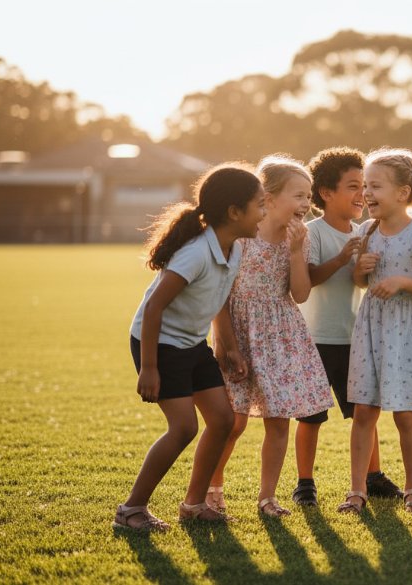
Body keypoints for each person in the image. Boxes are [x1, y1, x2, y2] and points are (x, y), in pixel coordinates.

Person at [114, 164, 264, 531]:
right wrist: (149, 368)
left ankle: (194, 504)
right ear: (234, 212)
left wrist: (228, 347)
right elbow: (154, 308)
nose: (264, 213)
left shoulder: (235, 250)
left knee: (224, 420)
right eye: (260, 205)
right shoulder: (195, 253)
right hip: (160, 344)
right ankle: (131, 510)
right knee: (183, 428)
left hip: (191, 343)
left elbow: (220, 300)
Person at [206, 155, 334, 518]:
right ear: (270, 197)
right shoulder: (245, 237)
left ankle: (267, 497)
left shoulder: (300, 238)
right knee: (233, 421)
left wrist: (296, 253)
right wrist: (225, 342)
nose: (306, 204)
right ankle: (212, 488)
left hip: (280, 335)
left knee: (279, 420)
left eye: (308, 196)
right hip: (239, 330)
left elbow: (301, 294)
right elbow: (221, 295)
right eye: (298, 195)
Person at [337, 148, 412, 514]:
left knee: (405, 413)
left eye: (375, 186)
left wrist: (401, 281)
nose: (366, 193)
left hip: (408, 334)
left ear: (402, 193)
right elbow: (359, 281)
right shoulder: (366, 232)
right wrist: (360, 269)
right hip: (373, 328)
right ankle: (357, 491)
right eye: (365, 186)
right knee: (364, 410)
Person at [293, 147, 402, 507]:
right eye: (354, 186)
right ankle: (305, 482)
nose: (362, 195)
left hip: (355, 337)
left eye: (366, 186)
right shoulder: (313, 233)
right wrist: (342, 258)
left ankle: (373, 476)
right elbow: (308, 278)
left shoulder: (366, 231)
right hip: (317, 339)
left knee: (365, 411)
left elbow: (362, 282)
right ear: (326, 193)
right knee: (311, 416)